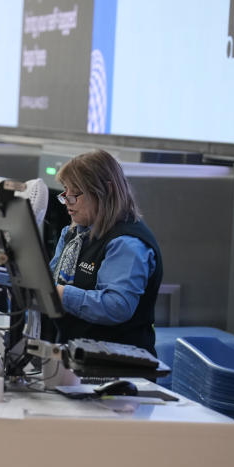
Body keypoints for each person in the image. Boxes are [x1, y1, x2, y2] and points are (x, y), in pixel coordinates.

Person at [49, 149, 163, 354]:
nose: (67, 201)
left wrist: (61, 294)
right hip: (74, 354)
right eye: (65, 191)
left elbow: (117, 307)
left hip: (115, 366)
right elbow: (50, 278)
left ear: (106, 191)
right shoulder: (75, 232)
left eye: (75, 193)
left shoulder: (127, 243)